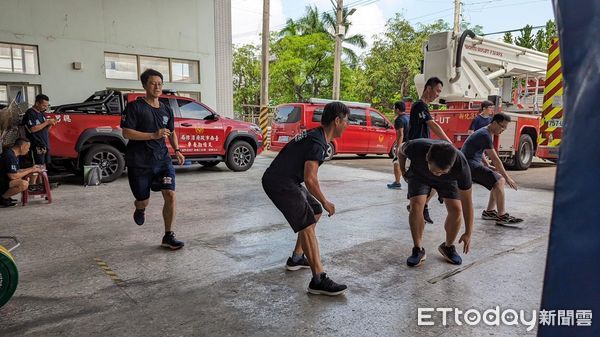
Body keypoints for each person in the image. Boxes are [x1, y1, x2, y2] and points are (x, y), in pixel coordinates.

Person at [262, 101, 349, 296]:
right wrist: (327, 202)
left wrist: (321, 205)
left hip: (287, 179)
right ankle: (318, 278)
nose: (347, 124)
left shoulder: (317, 135)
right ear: (337, 121)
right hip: (280, 182)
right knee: (307, 223)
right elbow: (310, 179)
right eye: (346, 121)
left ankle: (297, 257)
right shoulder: (317, 142)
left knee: (314, 211)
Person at [121, 69, 185, 250]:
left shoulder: (166, 109)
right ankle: (140, 208)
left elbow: (171, 132)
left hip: (162, 160)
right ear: (144, 85)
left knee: (170, 194)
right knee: (143, 200)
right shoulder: (135, 107)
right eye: (152, 83)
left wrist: (177, 150)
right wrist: (152, 135)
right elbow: (126, 132)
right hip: (139, 162)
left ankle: (168, 236)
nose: (157, 87)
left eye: (160, 83)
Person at [398, 139, 474, 267]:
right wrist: (402, 171)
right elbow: (400, 150)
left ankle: (448, 247)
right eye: (435, 171)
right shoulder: (416, 147)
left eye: (441, 172)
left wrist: (468, 232)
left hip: (448, 180)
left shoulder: (461, 166)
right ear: (427, 158)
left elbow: (467, 203)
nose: (437, 175)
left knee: (456, 209)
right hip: (419, 175)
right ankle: (418, 249)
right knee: (416, 206)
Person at [461, 113, 523, 224]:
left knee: (497, 181)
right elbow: (495, 159)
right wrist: (508, 177)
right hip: (468, 165)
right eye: (502, 126)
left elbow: (481, 150)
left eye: (505, 127)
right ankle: (502, 216)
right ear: (494, 123)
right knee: (500, 180)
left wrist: (486, 164)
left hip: (470, 163)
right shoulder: (485, 134)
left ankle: (489, 212)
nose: (503, 129)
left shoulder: (486, 132)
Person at [407, 77, 452, 224]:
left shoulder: (423, 106)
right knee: (436, 177)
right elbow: (432, 125)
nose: (438, 94)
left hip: (422, 150)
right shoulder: (420, 105)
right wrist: (448, 141)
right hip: (418, 152)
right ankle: (421, 205)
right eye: (437, 90)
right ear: (428, 88)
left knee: (436, 178)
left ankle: (421, 205)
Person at [21, 94, 56, 186]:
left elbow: (45, 129)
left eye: (47, 105)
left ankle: (41, 184)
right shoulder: (30, 113)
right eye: (44, 105)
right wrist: (47, 122)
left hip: (44, 143)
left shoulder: (42, 114)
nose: (45, 107)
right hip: (35, 144)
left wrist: (50, 124)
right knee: (36, 166)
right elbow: (32, 129)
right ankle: (32, 185)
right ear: (37, 103)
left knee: (42, 165)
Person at [0, 138, 43, 207]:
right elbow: (13, 176)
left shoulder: (13, 154)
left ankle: (6, 197)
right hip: (2, 181)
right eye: (28, 148)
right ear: (22, 147)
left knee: (25, 178)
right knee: (23, 184)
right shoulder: (10, 156)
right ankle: (2, 199)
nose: (28, 150)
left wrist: (32, 168)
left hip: (4, 179)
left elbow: (17, 171)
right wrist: (31, 170)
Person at [387, 101, 409, 190]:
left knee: (396, 162)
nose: (393, 110)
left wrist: (398, 148)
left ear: (397, 109)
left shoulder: (399, 119)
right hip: (410, 143)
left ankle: (397, 182)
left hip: (403, 144)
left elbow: (400, 134)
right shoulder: (408, 118)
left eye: (394, 108)